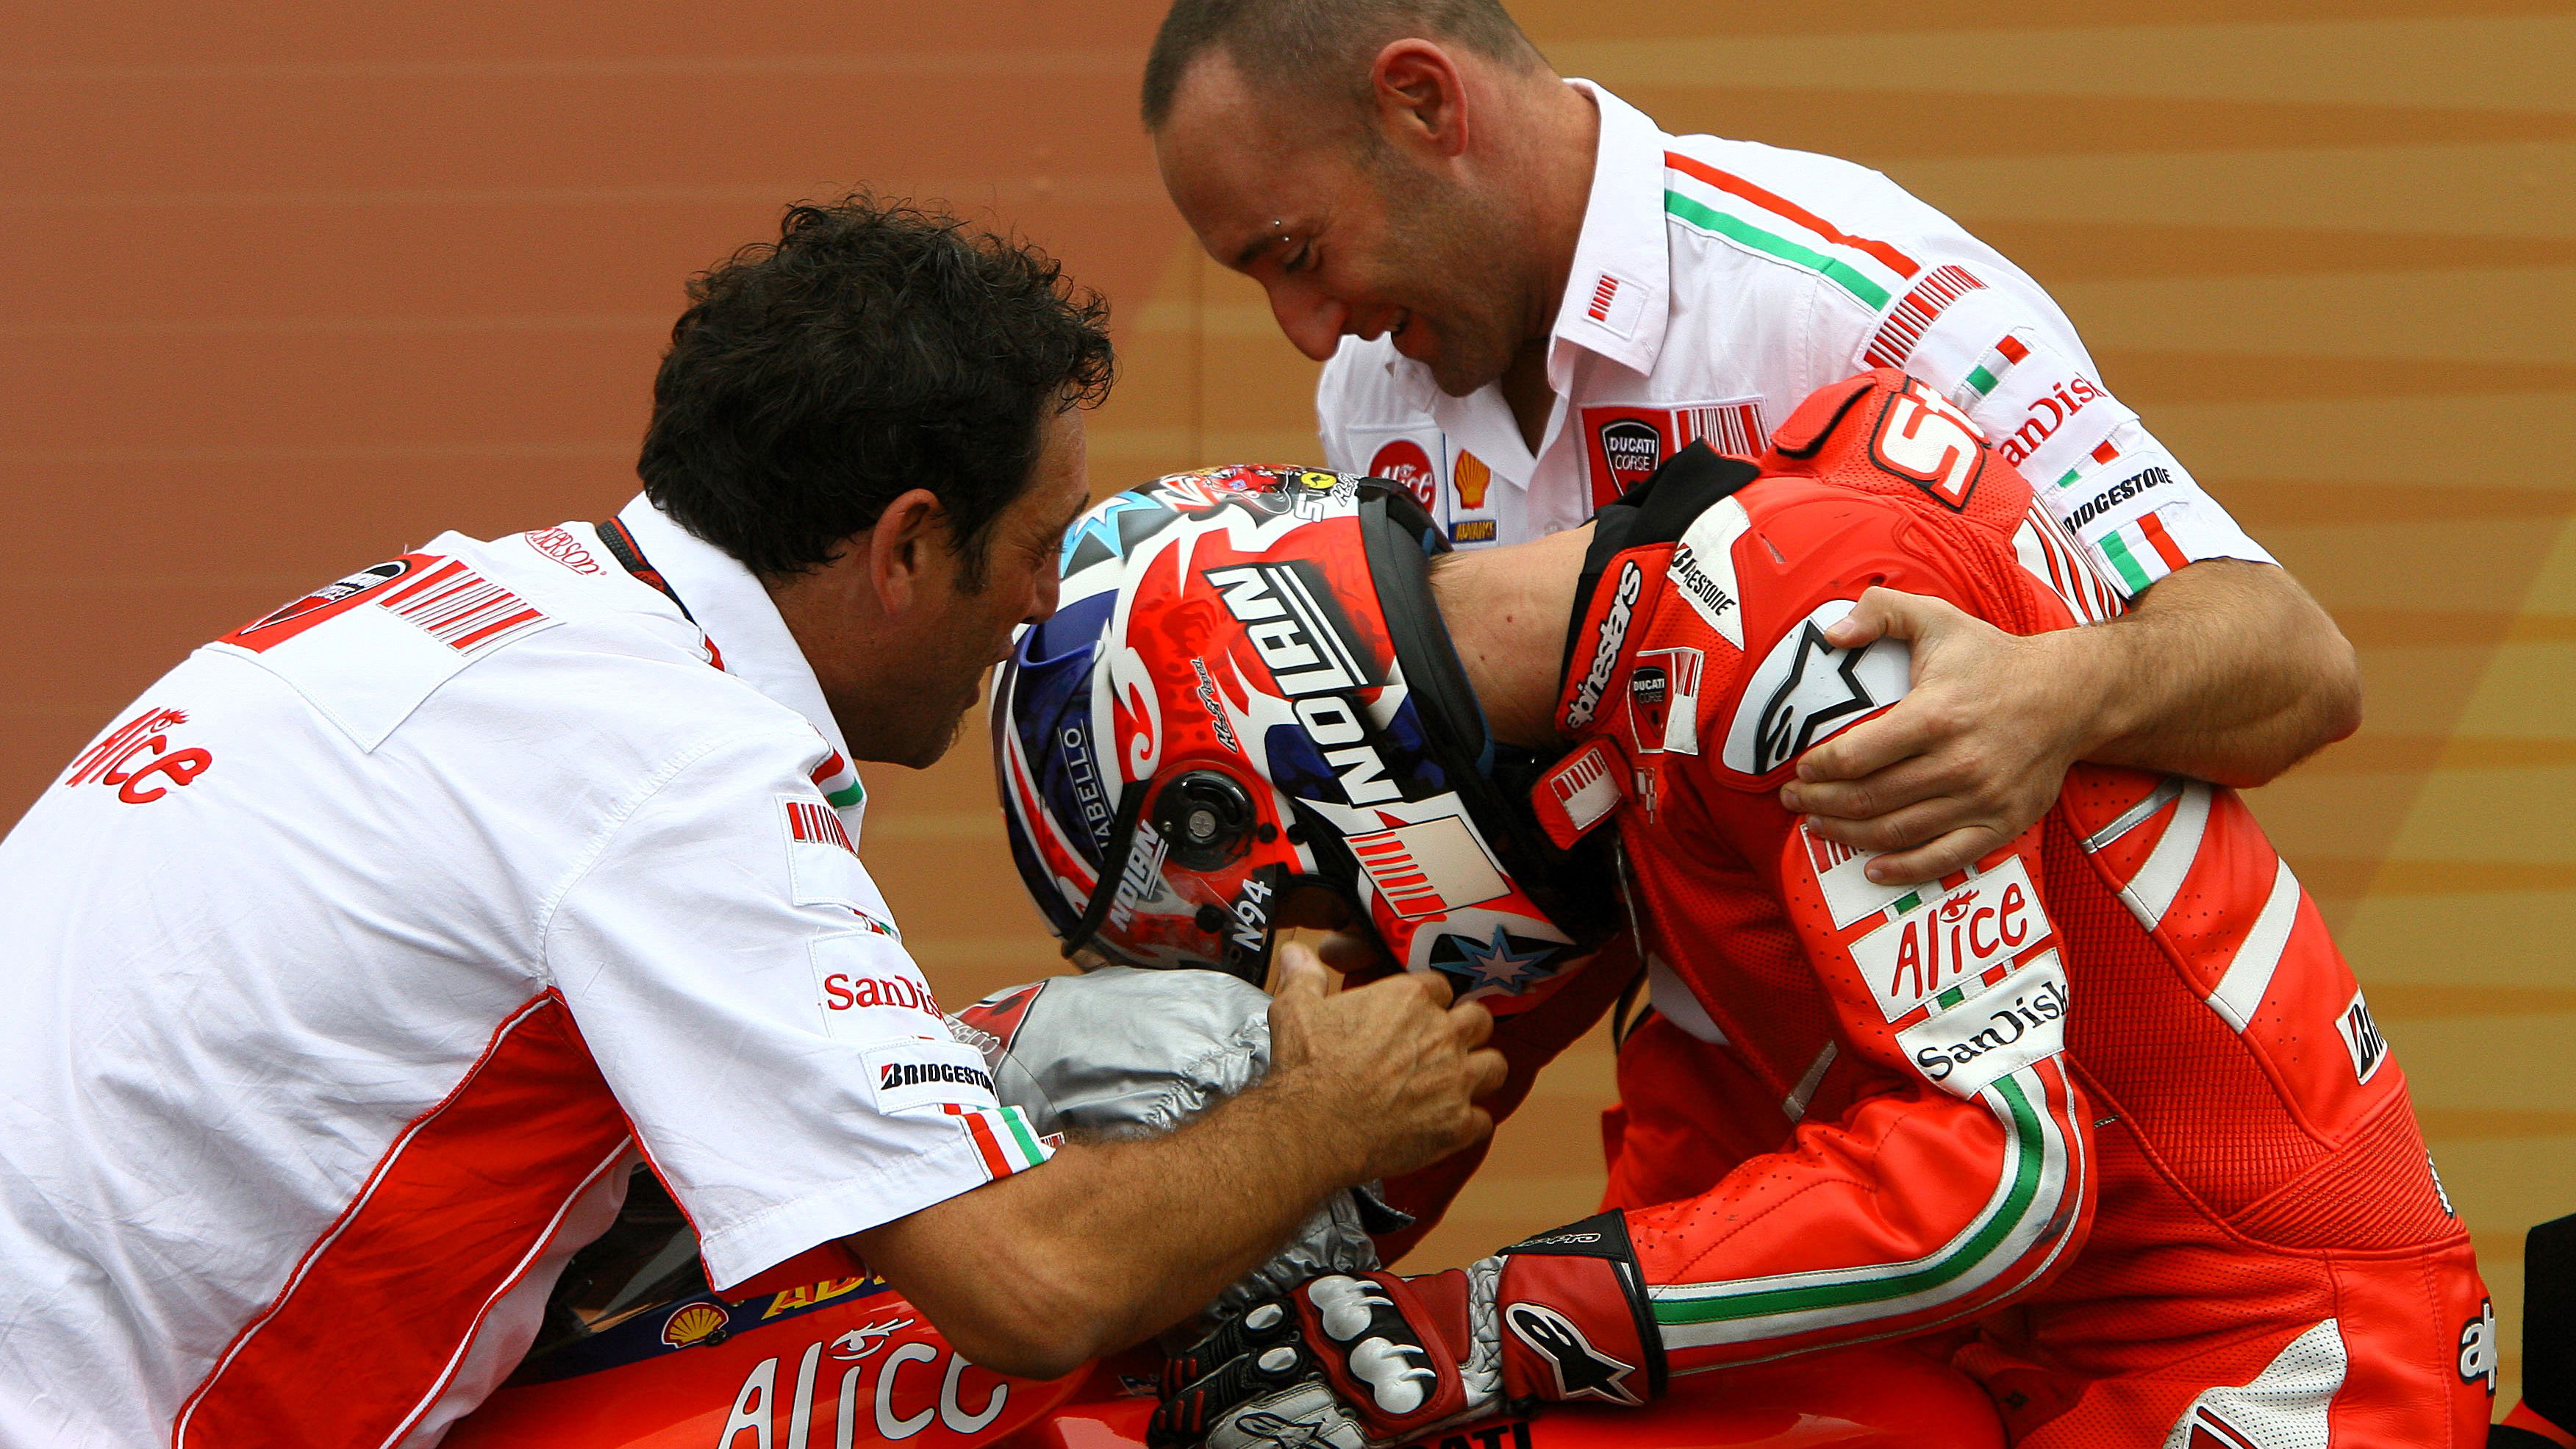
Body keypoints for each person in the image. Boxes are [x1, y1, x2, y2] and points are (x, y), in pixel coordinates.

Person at [0, 198, 1506, 1448]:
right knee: (1149, 1075)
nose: (1050, 604)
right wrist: (1332, 1112)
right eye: (1041, 547)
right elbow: (1030, 1281)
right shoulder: (683, 772)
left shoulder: (488, 601)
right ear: (911, 543)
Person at [990, 370, 2489, 1444]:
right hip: (2011, 1346)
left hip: (2267, 1351)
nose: (1337, 956)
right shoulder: (1622, 697)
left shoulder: (1796, 631)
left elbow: (2000, 1180)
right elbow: (1716, 1190)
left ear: (1264, 767)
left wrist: (1471, 1327)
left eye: (1286, 919)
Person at [1140, 0, 2360, 892]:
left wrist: (2052, 694)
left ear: (1425, 103)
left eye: (1297, 255)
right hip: (1735, 1110)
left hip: (2080, 1109)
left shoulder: (1854, 299)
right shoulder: (1373, 386)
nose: (1306, 336)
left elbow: (2296, 664)